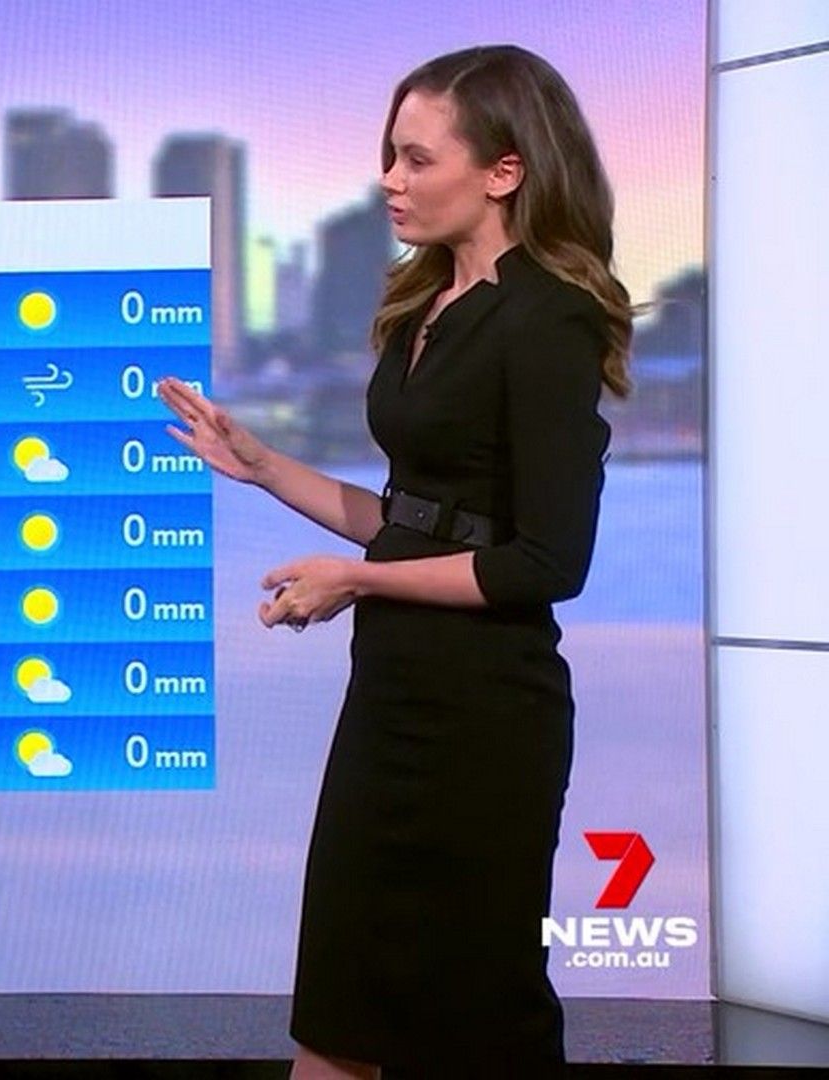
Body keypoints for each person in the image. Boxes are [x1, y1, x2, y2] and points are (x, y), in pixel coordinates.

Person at [160, 45, 635, 1078]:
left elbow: (543, 561)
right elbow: (419, 520)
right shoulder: (425, 307)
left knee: (477, 1026)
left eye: (418, 160)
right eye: (390, 155)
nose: (390, 180)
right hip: (392, 695)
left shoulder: (547, 318)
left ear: (503, 172)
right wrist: (263, 466)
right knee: (339, 1011)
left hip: (486, 715)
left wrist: (357, 581)